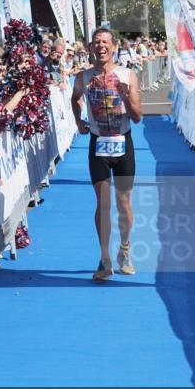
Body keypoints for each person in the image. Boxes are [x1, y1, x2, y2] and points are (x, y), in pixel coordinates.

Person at [70, 28, 143, 281]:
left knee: (123, 203)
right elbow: (74, 99)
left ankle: (125, 249)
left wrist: (125, 95)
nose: (100, 46)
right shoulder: (83, 77)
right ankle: (104, 259)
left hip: (123, 142)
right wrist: (79, 121)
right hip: (98, 143)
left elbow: (137, 116)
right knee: (103, 203)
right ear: (90, 47)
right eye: (96, 42)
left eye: (105, 42)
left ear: (113, 47)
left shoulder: (128, 75)